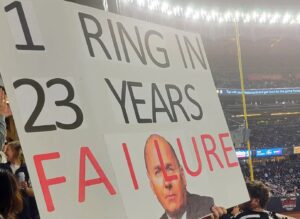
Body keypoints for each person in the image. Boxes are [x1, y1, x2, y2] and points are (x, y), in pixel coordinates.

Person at [144, 134, 226, 219]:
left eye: (169, 169)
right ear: (152, 186)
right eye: (158, 172)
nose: (167, 182)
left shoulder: (207, 206)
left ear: (182, 175)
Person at [0, 141, 39, 219]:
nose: (5, 152)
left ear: (15, 151)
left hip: (25, 210)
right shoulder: (2, 168)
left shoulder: (28, 169)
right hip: (7, 209)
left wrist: (26, 188)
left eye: (8, 149)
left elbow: (36, 192)